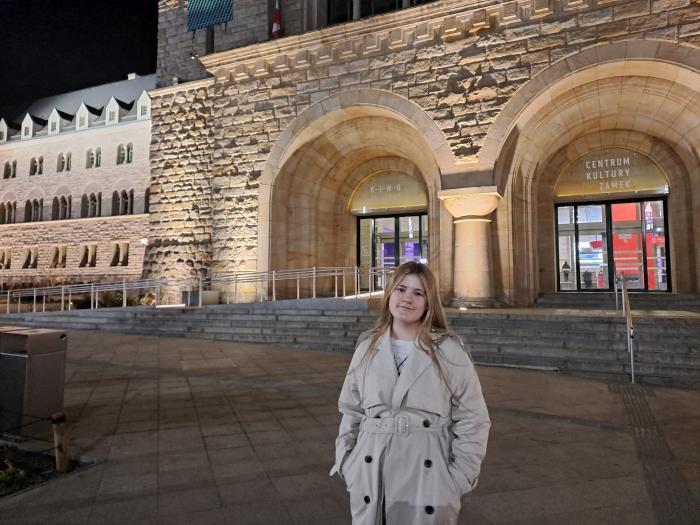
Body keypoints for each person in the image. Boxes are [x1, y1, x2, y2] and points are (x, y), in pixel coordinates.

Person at [330, 261, 490, 524]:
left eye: (418, 293)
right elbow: (350, 409)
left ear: (429, 302)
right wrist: (347, 461)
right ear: (389, 293)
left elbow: (474, 419)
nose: (407, 298)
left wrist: (457, 479)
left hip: (427, 478)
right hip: (370, 474)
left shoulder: (449, 350)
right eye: (401, 289)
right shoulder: (366, 346)